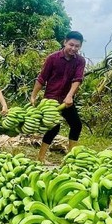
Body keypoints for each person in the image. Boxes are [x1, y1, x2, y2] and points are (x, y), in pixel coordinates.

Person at [30, 31, 85, 161]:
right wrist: (33, 95)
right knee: (54, 128)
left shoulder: (80, 61)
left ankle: (71, 157)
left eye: (77, 46)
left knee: (76, 125)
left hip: (67, 100)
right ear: (65, 42)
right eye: (71, 45)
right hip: (51, 98)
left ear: (80, 47)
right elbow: (42, 78)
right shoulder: (52, 58)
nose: (73, 48)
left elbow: (77, 79)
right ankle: (41, 158)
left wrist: (70, 96)